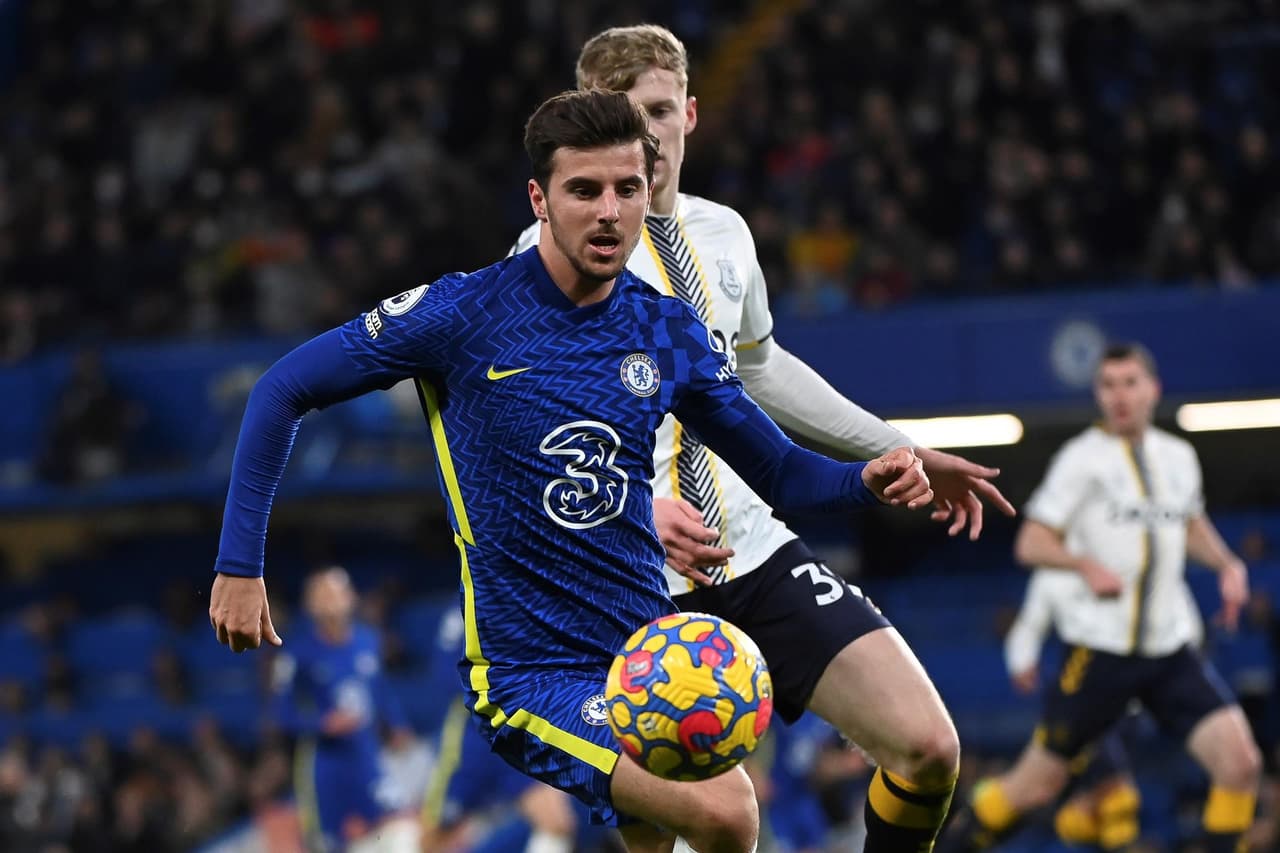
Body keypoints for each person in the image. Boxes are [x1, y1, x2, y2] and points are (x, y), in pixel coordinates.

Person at [209, 88, 937, 853]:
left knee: (665, 834)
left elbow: (781, 473)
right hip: (532, 671)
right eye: (583, 190)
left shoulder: (663, 327)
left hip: (648, 658)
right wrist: (238, 564)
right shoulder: (464, 315)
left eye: (627, 189)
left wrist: (865, 480)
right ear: (540, 198)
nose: (609, 212)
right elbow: (281, 388)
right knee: (726, 810)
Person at [511, 25, 1017, 852]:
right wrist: (632, 511)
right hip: (633, 580)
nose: (649, 136)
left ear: (692, 113)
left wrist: (899, 448)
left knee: (928, 749)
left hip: (752, 547)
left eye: (662, 112)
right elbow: (519, 433)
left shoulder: (725, 235)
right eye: (627, 118)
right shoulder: (550, 257)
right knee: (698, 827)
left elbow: (760, 368)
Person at [940, 343, 1261, 853]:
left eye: (1130, 383)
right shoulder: (1080, 460)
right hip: (1099, 655)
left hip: (1170, 651)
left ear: (1153, 389)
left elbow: (1189, 522)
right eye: (1108, 385)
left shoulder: (1179, 457)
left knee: (1240, 763)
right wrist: (1083, 564)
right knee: (1035, 786)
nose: (1119, 395)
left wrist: (1227, 564)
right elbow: (1031, 542)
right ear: (1098, 394)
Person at [270, 566, 420, 852]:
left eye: (338, 592)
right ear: (310, 604)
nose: (332, 600)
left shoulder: (368, 640)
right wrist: (322, 723)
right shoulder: (297, 653)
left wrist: (398, 724)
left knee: (400, 825)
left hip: (366, 755)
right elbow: (282, 712)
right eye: (324, 594)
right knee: (330, 843)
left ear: (351, 597)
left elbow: (381, 691)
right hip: (325, 763)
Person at [419, 609, 582, 853]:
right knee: (436, 834)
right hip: (473, 736)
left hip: (519, 728)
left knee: (557, 822)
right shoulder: (460, 609)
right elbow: (445, 674)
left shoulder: (534, 601)